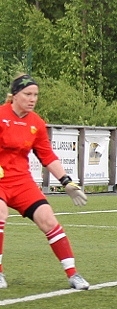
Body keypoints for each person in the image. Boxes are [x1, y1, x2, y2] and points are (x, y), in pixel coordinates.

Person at [0, 75, 89, 291]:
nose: (32, 99)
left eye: (35, 95)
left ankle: (73, 274)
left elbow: (47, 156)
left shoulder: (36, 123)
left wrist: (67, 182)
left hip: (21, 181)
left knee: (48, 219)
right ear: (15, 95)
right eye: (27, 94)